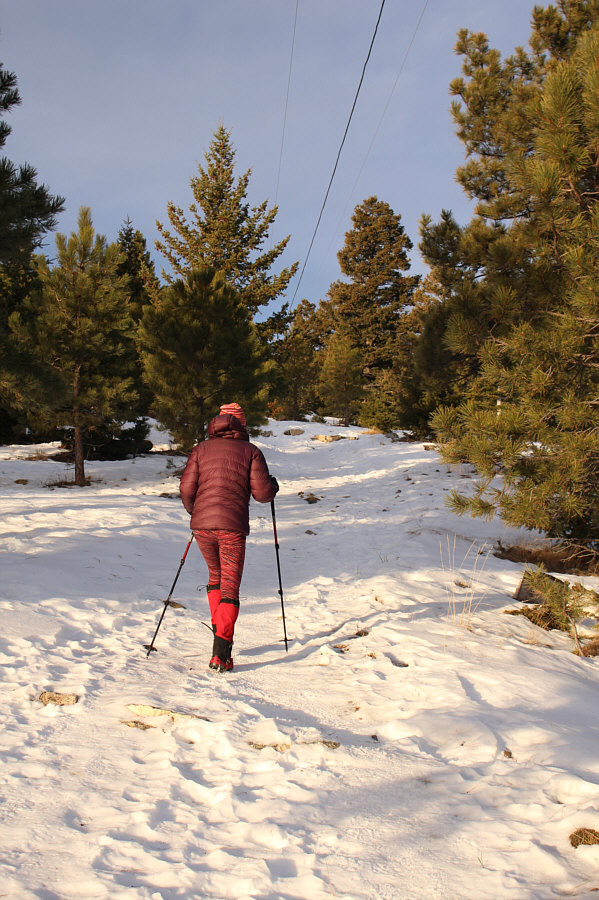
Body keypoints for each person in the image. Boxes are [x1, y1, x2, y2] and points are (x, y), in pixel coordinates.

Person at [179, 402, 279, 673]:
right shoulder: (251, 452)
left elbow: (187, 488)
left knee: (215, 577)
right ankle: (220, 655)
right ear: (241, 424)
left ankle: (220, 639)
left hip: (202, 527)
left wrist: (196, 512)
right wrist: (273, 486)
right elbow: (262, 494)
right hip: (232, 529)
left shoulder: (200, 449)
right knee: (230, 586)